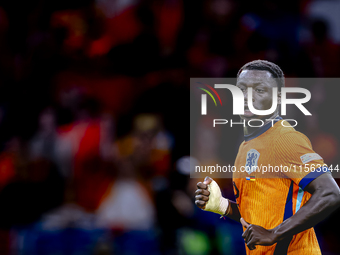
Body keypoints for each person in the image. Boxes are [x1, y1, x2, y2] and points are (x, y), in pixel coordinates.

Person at [194, 60, 340, 254]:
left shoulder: (285, 139)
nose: (247, 97)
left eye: (260, 90)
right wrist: (222, 205)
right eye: (242, 89)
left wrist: (274, 233)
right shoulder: (245, 147)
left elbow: (330, 193)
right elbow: (260, 216)